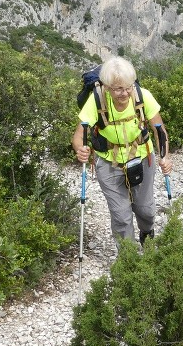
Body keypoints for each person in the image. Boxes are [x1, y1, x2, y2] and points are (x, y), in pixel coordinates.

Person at [73, 57, 172, 246]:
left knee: (146, 210)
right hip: (108, 163)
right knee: (121, 215)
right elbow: (78, 136)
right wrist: (81, 150)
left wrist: (165, 156)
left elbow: (160, 130)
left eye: (128, 87)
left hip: (142, 157)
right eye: (118, 89)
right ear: (107, 87)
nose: (124, 93)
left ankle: (146, 233)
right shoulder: (97, 102)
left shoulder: (143, 96)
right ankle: (128, 256)